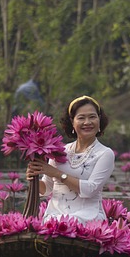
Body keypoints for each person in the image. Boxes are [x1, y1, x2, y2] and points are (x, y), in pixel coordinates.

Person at [26, 95, 114, 223]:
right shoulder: (59, 150)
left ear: (99, 120)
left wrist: (56, 173)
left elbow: (90, 190)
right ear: (72, 122)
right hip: (54, 216)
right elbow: (47, 189)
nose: (87, 122)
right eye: (81, 118)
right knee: (52, 223)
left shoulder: (105, 153)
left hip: (88, 217)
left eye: (92, 117)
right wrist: (32, 178)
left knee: (69, 222)